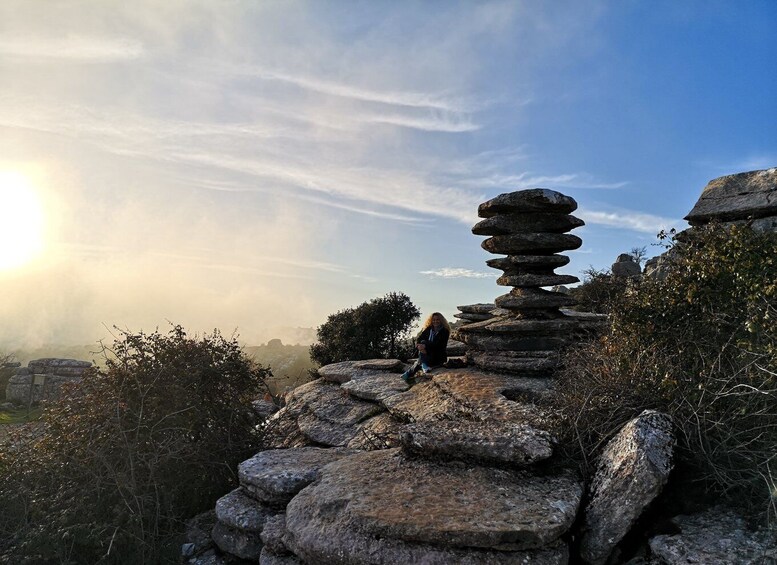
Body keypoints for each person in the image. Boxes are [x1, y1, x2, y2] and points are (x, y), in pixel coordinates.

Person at [401, 312, 450, 383]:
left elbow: (438, 345)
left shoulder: (445, 331)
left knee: (423, 345)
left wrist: (425, 346)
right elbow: (419, 338)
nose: (435, 321)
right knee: (422, 344)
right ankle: (423, 365)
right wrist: (419, 346)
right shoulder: (429, 329)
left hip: (438, 356)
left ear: (441, 320)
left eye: (437, 319)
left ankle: (410, 372)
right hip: (427, 354)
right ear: (431, 320)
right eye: (433, 320)